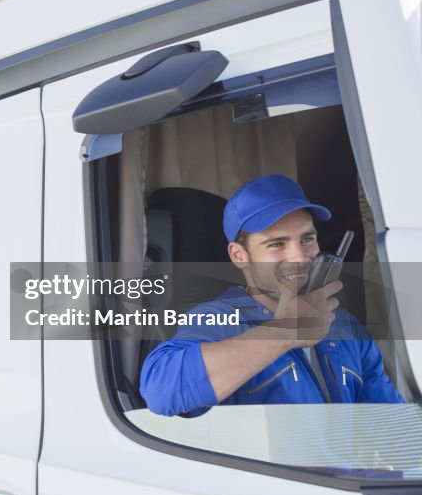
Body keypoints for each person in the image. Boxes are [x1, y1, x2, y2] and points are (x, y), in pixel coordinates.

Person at [139, 174, 403, 417]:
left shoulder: (346, 328)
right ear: (238, 255)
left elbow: (395, 427)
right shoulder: (218, 319)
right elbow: (160, 392)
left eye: (307, 239)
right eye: (277, 244)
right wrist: (284, 332)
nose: (300, 257)